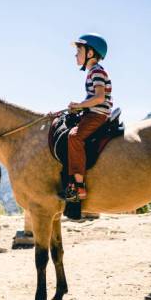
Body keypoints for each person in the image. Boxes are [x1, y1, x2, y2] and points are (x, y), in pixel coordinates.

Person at [64, 33, 113, 202]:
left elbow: (99, 98)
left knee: (74, 137)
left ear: (90, 54)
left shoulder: (97, 72)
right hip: (93, 112)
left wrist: (79, 105)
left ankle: (78, 186)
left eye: (79, 51)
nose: (75, 55)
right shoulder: (93, 72)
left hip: (97, 115)